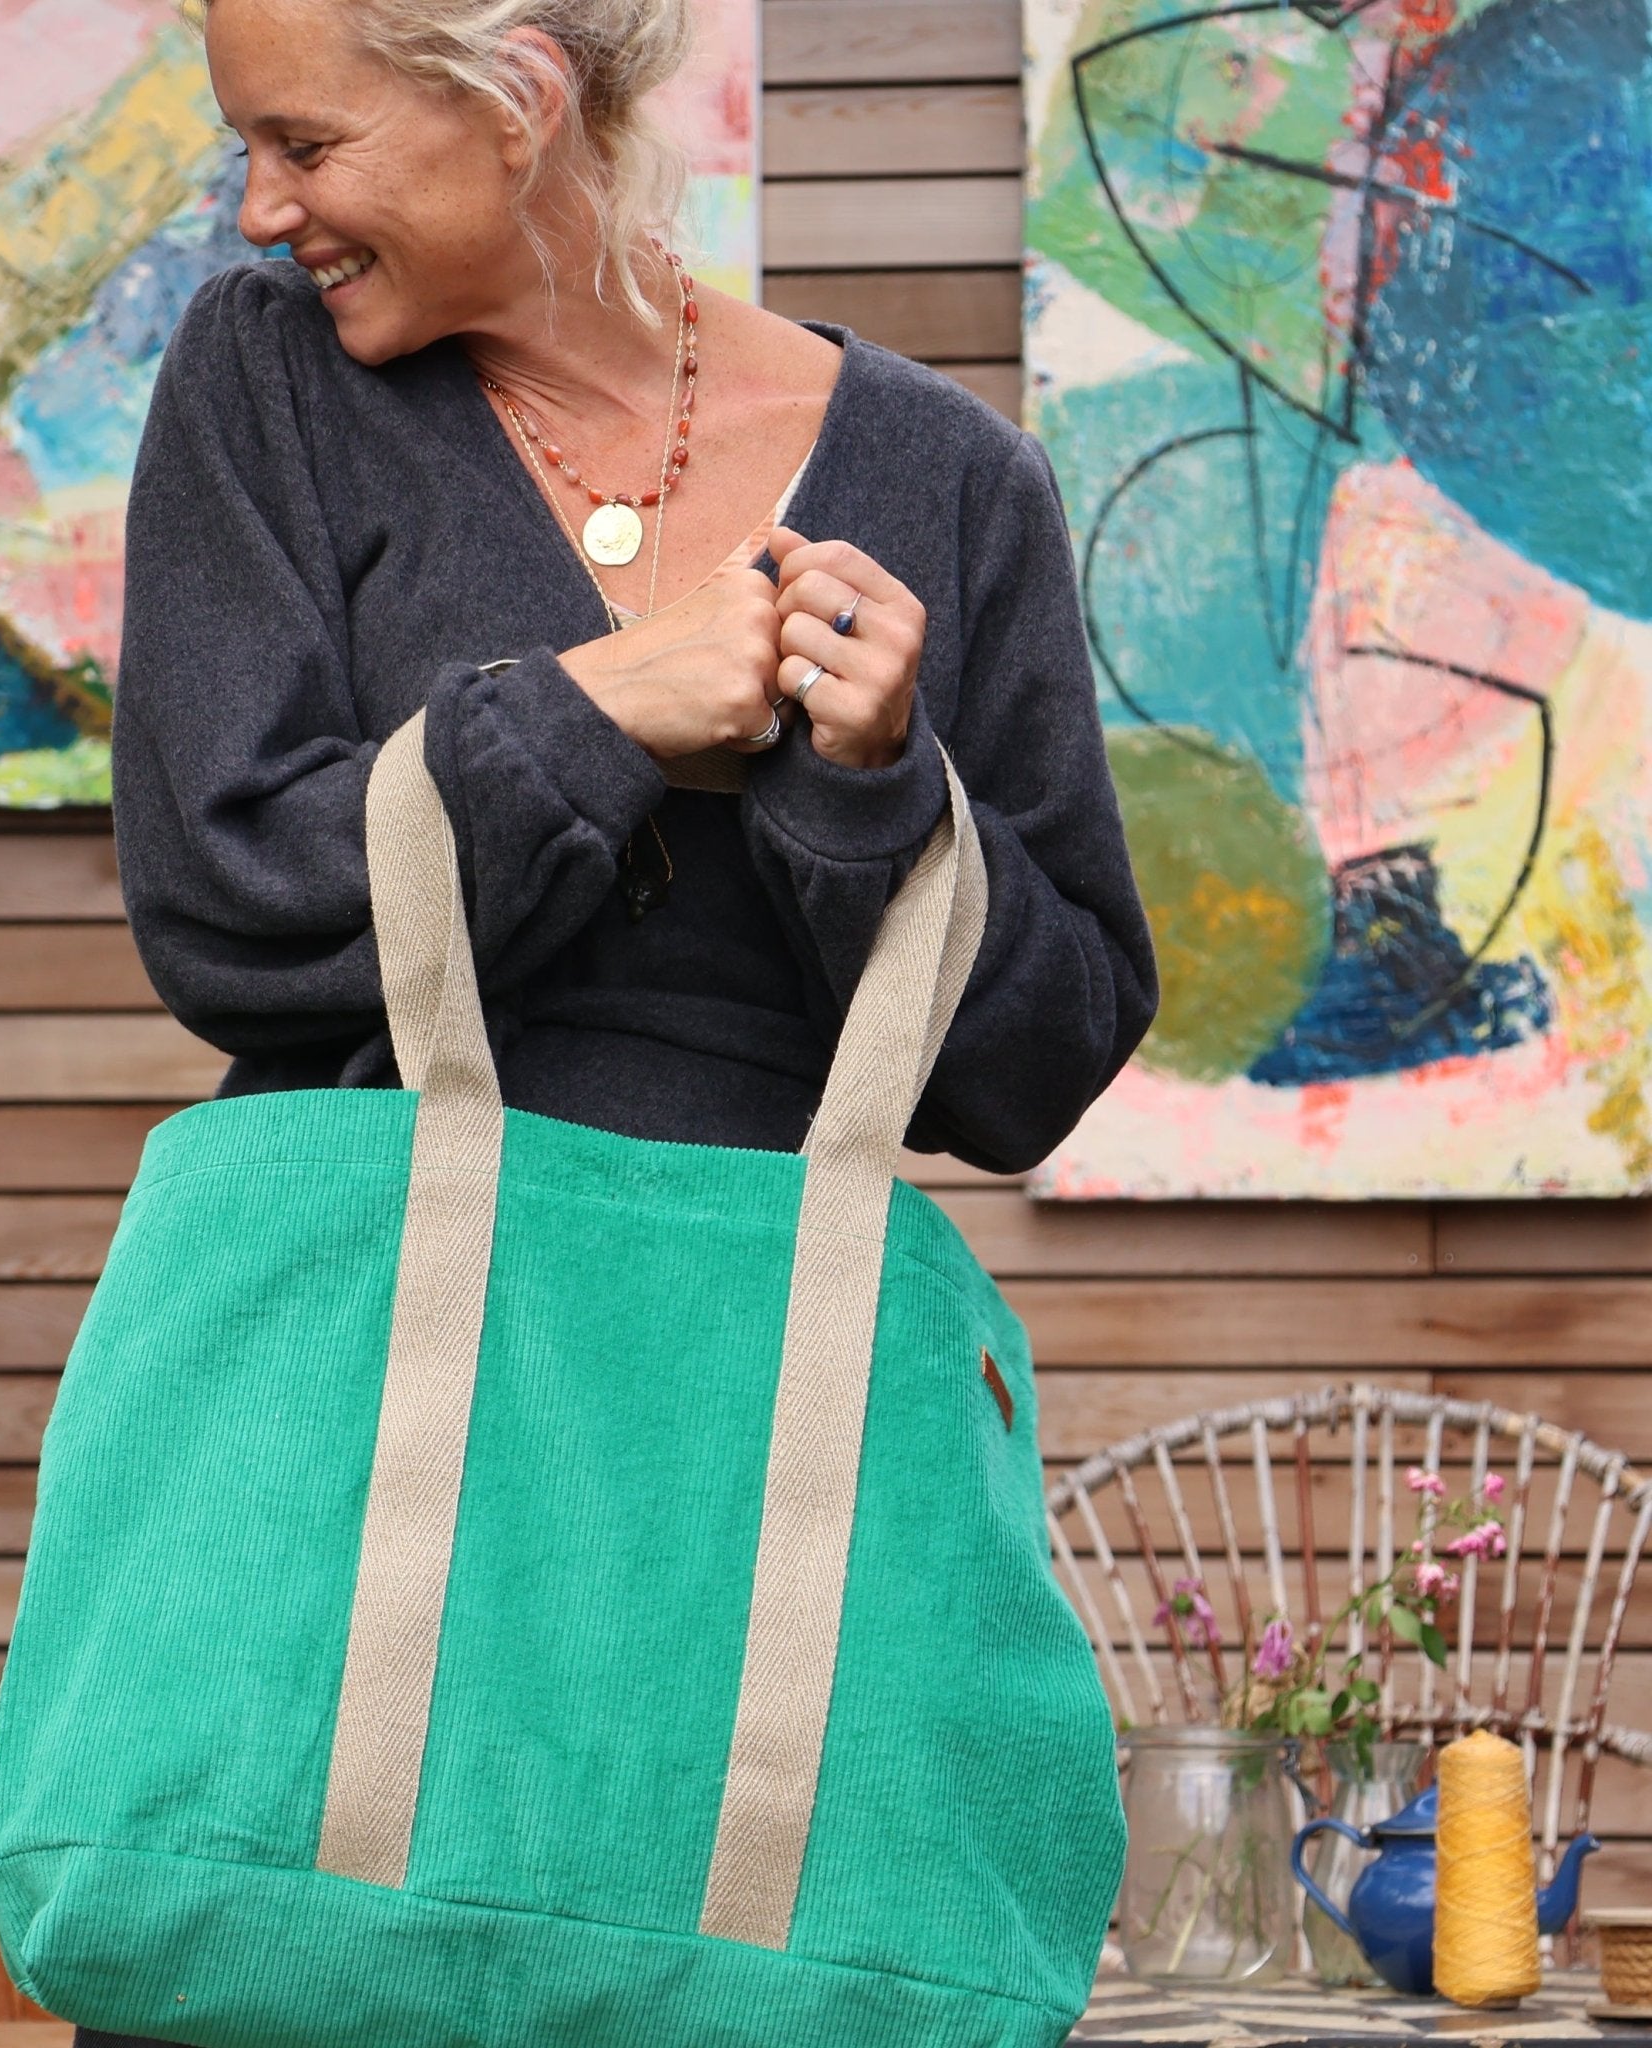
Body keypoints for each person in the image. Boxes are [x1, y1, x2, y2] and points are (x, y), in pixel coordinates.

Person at [79, 1, 1156, 2037]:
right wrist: (585, 718)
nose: (261, 208)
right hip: (349, 1484)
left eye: (304, 143)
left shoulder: (954, 484)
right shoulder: (265, 380)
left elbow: (1036, 1065)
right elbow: (220, 898)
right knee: (292, 1963)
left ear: (515, 97)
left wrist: (877, 791)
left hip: (745, 1507)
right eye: (249, 151)